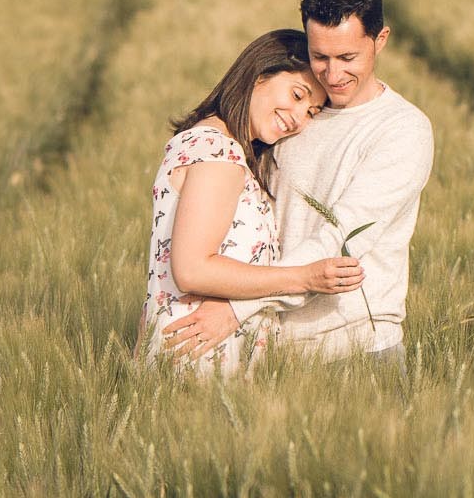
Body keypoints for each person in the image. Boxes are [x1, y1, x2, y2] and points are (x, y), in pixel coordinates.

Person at [161, 0, 434, 374]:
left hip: (356, 350)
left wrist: (238, 307)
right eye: (319, 56)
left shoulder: (402, 130)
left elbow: (340, 238)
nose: (333, 74)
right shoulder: (292, 115)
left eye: (348, 57)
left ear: (380, 40)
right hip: (267, 347)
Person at [140, 28, 367, 377]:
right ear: (260, 74)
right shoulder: (218, 151)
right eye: (296, 95)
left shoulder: (217, 147)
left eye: (311, 111)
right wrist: (304, 278)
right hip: (201, 355)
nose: (297, 118)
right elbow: (192, 270)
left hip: (202, 350)